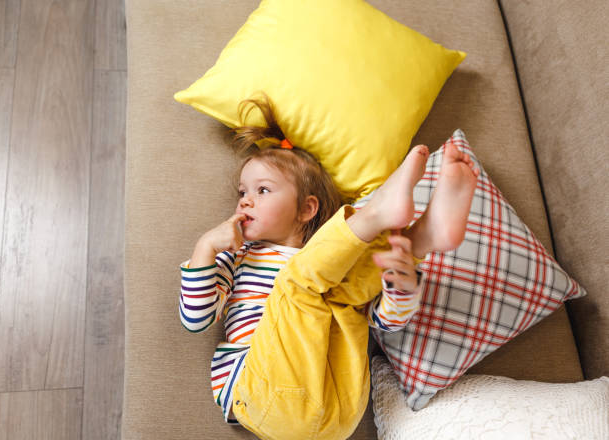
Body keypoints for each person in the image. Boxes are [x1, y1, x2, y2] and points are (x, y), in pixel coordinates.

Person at [179, 93, 479, 439]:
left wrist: (402, 287)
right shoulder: (239, 255)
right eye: (242, 192)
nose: (245, 199)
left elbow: (382, 321)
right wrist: (206, 247)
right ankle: (389, 221)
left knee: (344, 298)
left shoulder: (331, 264)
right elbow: (195, 319)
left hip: (339, 407)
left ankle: (422, 238)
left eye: (263, 190)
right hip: (265, 397)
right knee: (296, 286)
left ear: (307, 210)